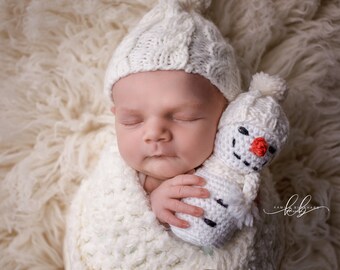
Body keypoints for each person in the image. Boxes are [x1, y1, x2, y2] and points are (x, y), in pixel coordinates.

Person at [105, 0, 242, 230]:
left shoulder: (240, 166)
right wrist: (151, 210)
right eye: (132, 120)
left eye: (185, 117)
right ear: (115, 116)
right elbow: (100, 224)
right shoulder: (115, 180)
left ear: (227, 115)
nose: (154, 134)